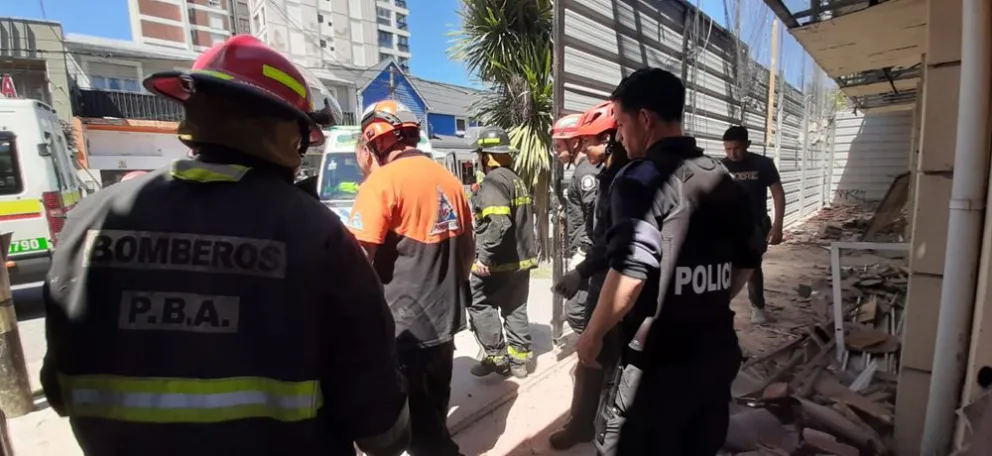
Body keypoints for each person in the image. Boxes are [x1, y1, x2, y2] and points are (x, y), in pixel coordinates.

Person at [40, 35, 410, 456]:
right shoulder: (315, 232)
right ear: (286, 133)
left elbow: (58, 388)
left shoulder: (91, 218)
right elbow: (378, 417)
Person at [576, 67, 762, 455]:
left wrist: (591, 336)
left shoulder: (641, 179)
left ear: (645, 119)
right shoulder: (720, 177)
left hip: (658, 367)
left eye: (621, 123)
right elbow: (747, 259)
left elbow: (629, 274)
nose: (619, 136)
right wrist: (705, 300)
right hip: (715, 354)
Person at [346, 100, 473, 456]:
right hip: (446, 320)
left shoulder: (381, 182)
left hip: (405, 328)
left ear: (374, 141)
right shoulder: (450, 181)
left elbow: (356, 264)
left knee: (419, 426)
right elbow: (467, 252)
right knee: (436, 401)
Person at [549, 102, 630, 450]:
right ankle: (583, 423)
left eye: (589, 141)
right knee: (592, 354)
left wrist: (583, 268)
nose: (583, 148)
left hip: (618, 279)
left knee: (600, 350)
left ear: (610, 139)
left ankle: (600, 423)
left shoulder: (628, 180)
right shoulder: (608, 176)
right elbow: (603, 236)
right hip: (600, 273)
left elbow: (615, 243)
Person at [467, 126, 538, 379]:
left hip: (498, 262)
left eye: (480, 155)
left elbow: (499, 223)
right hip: (521, 260)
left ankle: (496, 356)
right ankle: (519, 362)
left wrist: (483, 259)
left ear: (487, 156)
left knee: (478, 302)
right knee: (515, 307)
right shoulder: (516, 180)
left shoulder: (493, 182)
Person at [721, 126, 785, 324]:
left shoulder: (763, 164)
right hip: (727, 226)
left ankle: (758, 308)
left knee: (752, 267)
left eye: (737, 148)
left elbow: (778, 194)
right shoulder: (720, 167)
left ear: (747, 144)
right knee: (721, 268)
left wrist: (778, 226)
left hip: (754, 225)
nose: (732, 153)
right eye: (728, 149)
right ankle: (718, 307)